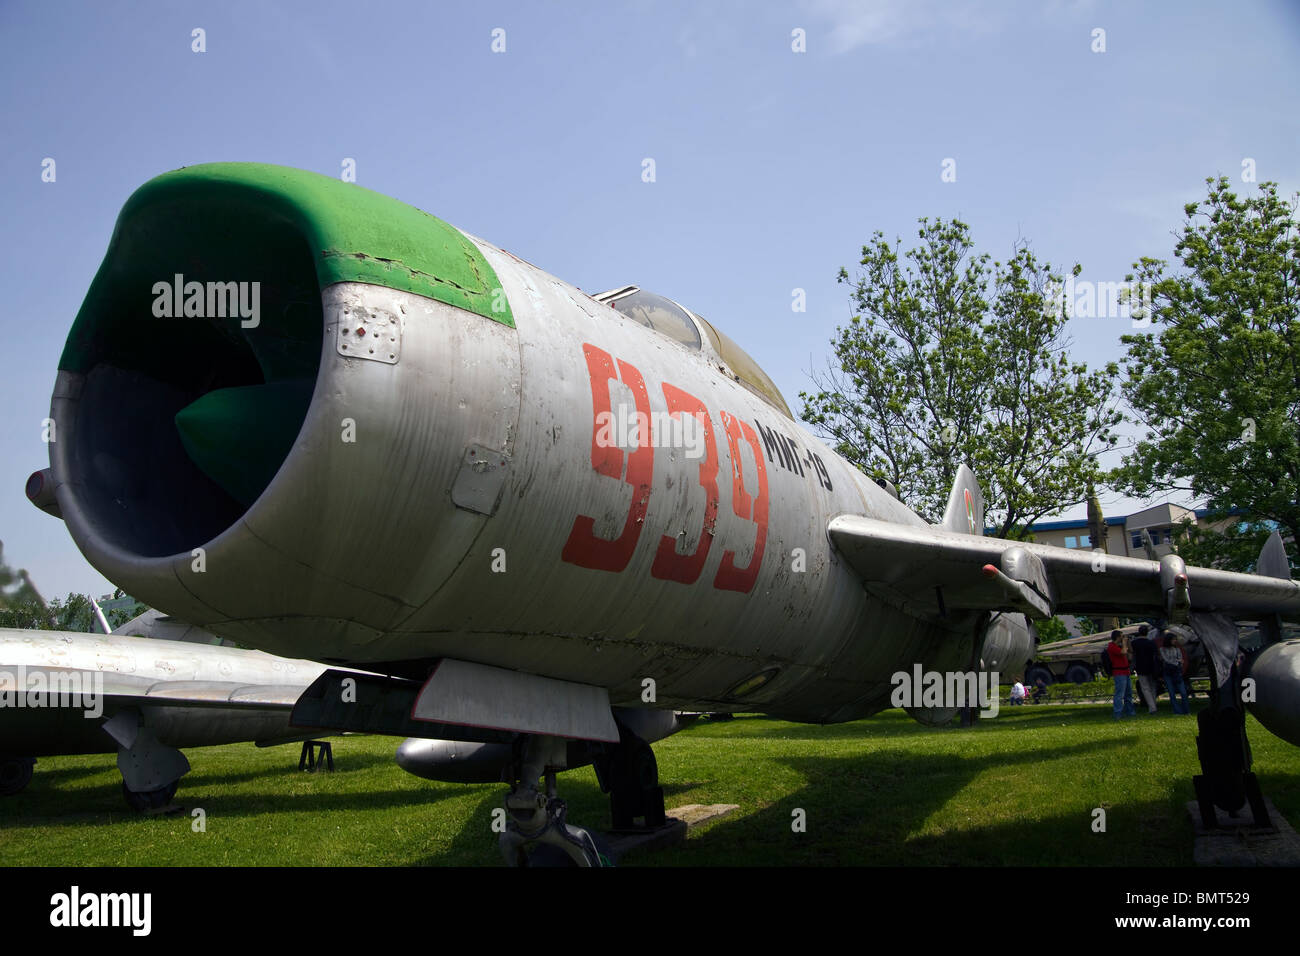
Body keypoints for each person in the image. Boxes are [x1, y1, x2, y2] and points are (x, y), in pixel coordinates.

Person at [1130, 624, 1159, 715]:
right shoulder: (1151, 643)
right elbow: (1156, 656)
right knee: (1153, 687)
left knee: (1145, 688)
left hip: (1140, 668)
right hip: (1152, 668)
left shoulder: (1134, 643)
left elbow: (1132, 655)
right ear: (1147, 633)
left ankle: (1152, 707)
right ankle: (1153, 704)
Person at [1107, 630, 1135, 719]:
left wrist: (1127, 644)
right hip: (1119, 673)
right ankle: (1118, 712)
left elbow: (1129, 655)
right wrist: (1124, 643)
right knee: (1119, 694)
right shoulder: (1111, 646)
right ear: (1117, 637)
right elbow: (1123, 652)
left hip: (1126, 671)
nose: (1123, 638)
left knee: (1128, 693)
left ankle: (1130, 711)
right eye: (1122, 636)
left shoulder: (1120, 646)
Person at [1161, 634, 1190, 715]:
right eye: (1173, 639)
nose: (1175, 641)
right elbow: (1166, 660)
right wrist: (1177, 661)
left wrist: (1177, 662)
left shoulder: (1177, 649)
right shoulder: (1162, 649)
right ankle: (1177, 711)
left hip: (1176, 672)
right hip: (1168, 672)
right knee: (1171, 693)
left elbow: (1180, 660)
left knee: (1183, 692)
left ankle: (1186, 710)